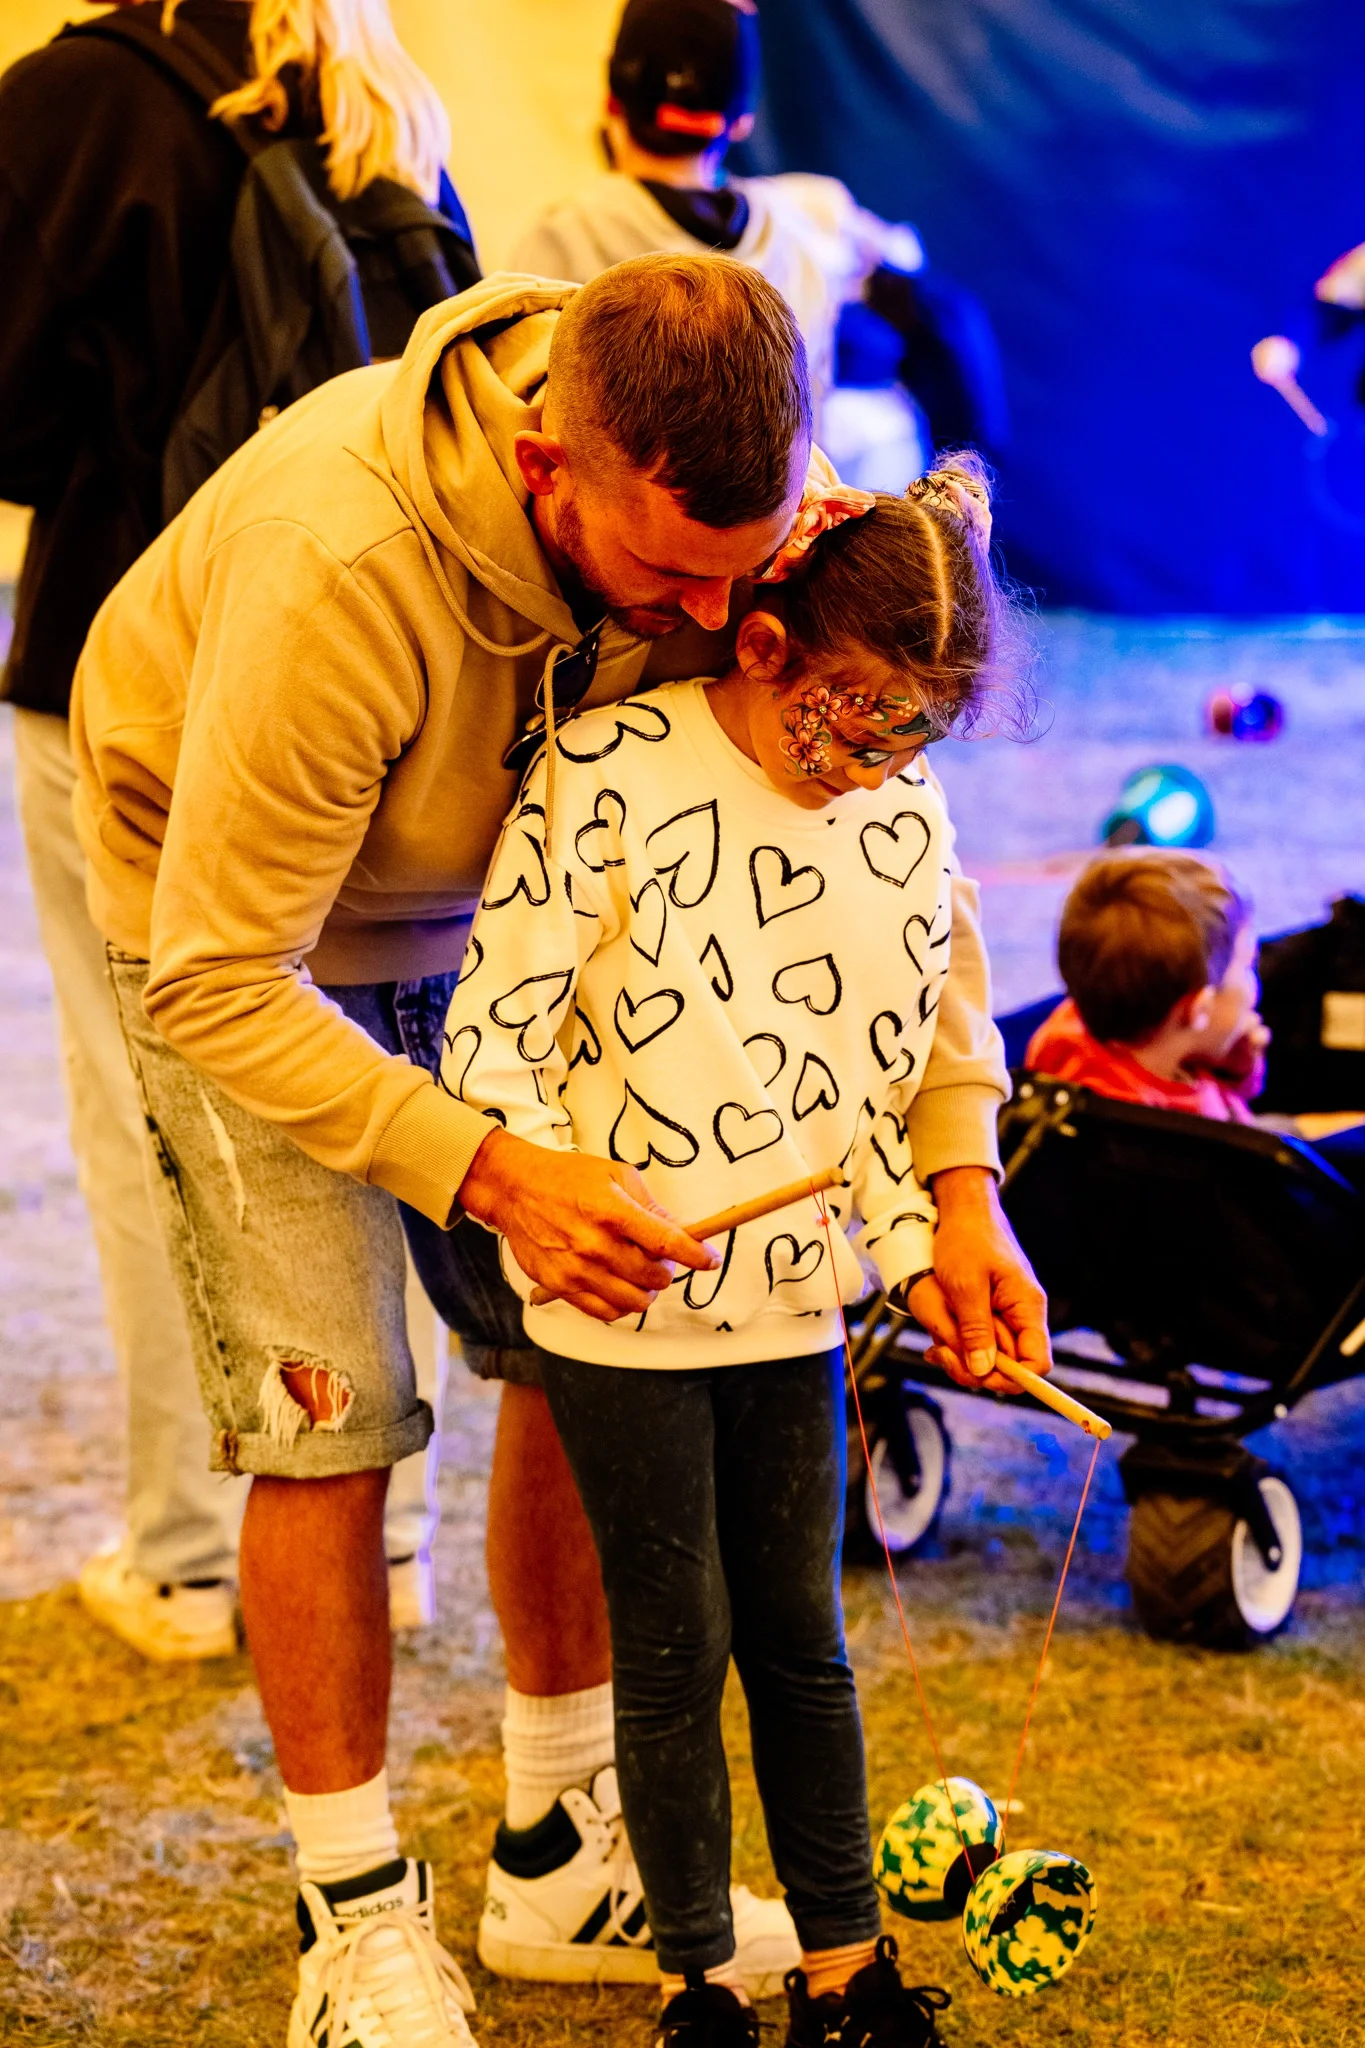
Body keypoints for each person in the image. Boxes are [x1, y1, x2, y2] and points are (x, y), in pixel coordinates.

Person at [71, 250, 1046, 2040]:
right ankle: (352, 1910)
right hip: (231, 915)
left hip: (505, 898)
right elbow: (222, 972)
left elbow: (907, 866)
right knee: (331, 1398)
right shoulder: (337, 568)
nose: (724, 609)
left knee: (571, 1325)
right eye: (677, 579)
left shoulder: (742, 529)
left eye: (744, 569)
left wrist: (961, 1175)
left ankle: (558, 1839)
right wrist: (491, 1162)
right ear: (546, 475)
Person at [439, 456, 1018, 2047]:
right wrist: (554, 1192)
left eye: (920, 735)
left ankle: (843, 1966)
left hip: (791, 1315)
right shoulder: (609, 769)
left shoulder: (900, 821)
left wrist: (920, 1254)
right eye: (858, 720)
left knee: (801, 1641)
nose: (879, 766)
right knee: (675, 1645)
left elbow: (889, 1091)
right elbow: (493, 1036)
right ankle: (695, 1979)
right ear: (762, 650)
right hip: (621, 1317)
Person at [0, 0, 464, 1659]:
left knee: (156, 1111)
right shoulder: (388, 96)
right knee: (384, 1080)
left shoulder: (78, 103)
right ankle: (388, 1537)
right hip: (382, 687)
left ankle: (197, 1552)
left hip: (132, 668)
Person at [511, 0, 1007, 489]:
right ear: (742, 119)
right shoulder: (809, 226)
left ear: (612, 98)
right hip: (788, 538)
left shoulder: (559, 241)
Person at [1025, 852, 1266, 1121]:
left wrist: (1234, 1060)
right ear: (1197, 1009)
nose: (1253, 983)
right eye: (1247, 966)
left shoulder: (1062, 1035)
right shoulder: (1200, 1121)